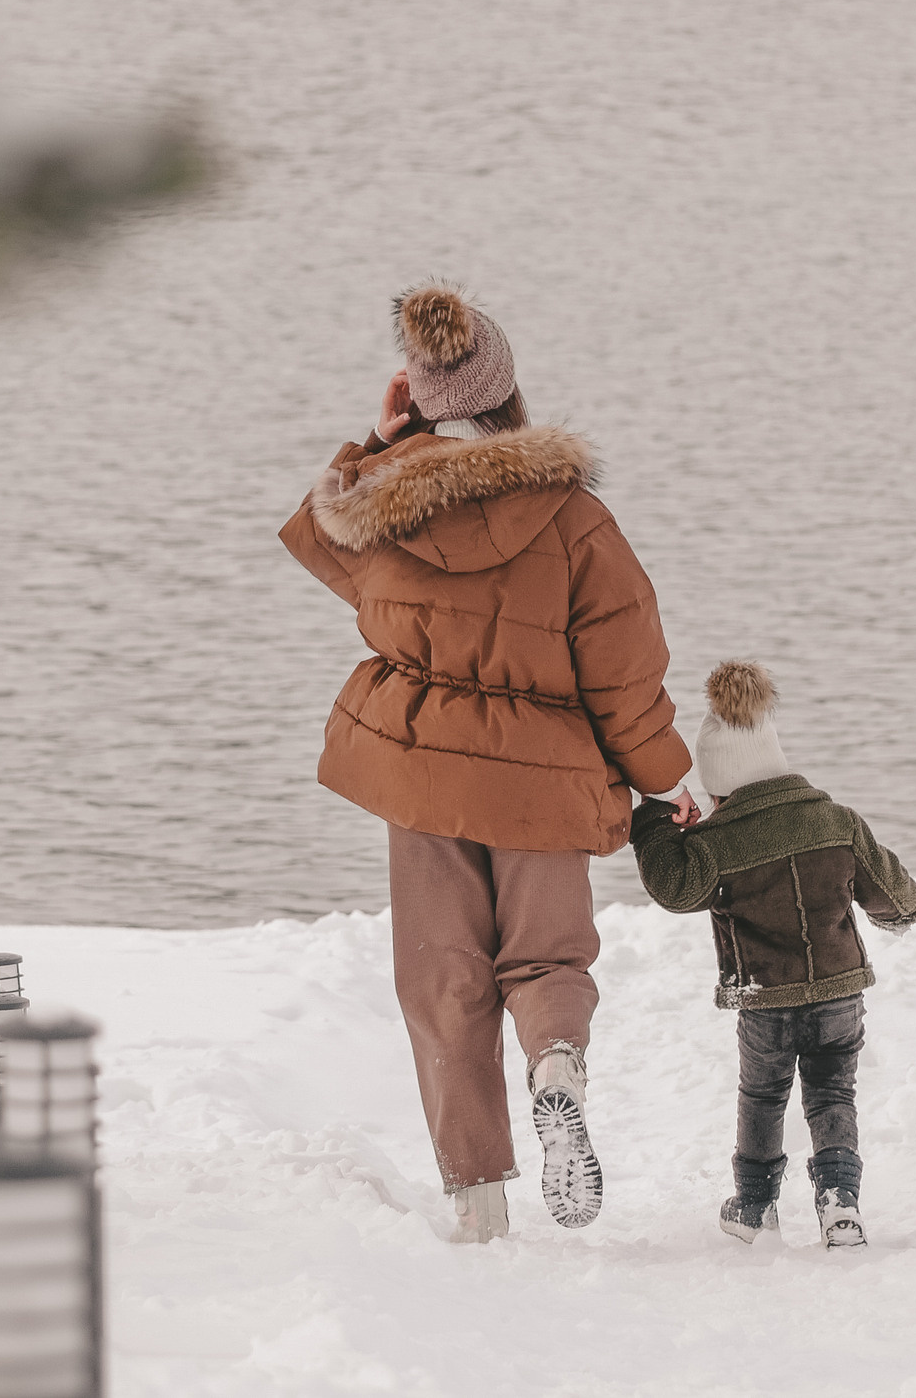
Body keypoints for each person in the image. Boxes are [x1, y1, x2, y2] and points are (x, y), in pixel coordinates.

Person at [280, 283, 703, 1243]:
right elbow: (625, 665)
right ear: (510, 393)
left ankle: (477, 1200)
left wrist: (380, 444)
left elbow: (318, 538)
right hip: (542, 778)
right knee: (546, 953)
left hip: (424, 769)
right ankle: (555, 1065)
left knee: (442, 975)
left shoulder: (381, 507)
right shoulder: (574, 519)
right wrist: (664, 774)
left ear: (419, 395)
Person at [630, 659, 916, 1248]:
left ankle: (753, 1206)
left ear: (719, 786)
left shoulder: (716, 843)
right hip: (839, 992)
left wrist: (659, 819)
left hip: (764, 998)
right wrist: (898, 913)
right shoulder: (837, 823)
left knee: (763, 1096)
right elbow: (900, 898)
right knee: (832, 1091)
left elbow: (675, 888)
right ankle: (839, 1201)